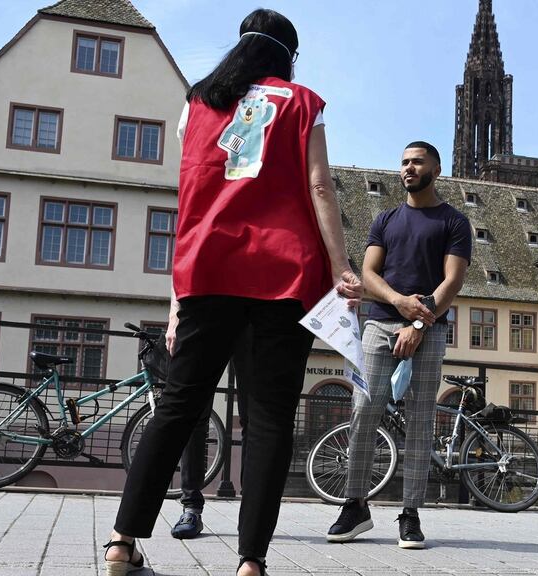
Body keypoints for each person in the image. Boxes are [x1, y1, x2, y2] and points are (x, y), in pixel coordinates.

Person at [102, 9, 362, 576]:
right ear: (287, 57)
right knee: (268, 417)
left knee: (176, 407)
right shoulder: (301, 103)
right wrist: (341, 268)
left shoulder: (196, 104)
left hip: (207, 272)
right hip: (282, 276)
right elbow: (319, 184)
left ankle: (123, 541)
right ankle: (249, 563)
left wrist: (176, 300)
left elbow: (191, 196)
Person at [326, 142, 471, 549]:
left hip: (428, 331)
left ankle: (410, 514)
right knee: (363, 410)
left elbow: (453, 282)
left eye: (417, 161)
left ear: (436, 169)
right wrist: (397, 302)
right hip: (379, 326)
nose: (408, 168)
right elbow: (368, 273)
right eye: (404, 162)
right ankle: (355, 506)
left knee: (421, 420)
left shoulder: (454, 222)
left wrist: (419, 322)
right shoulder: (385, 219)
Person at [170, 328, 253, 540]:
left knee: (254, 420)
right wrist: (175, 317)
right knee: (196, 415)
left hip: (257, 315)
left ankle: (253, 512)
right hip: (212, 310)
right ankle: (191, 508)